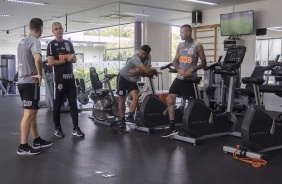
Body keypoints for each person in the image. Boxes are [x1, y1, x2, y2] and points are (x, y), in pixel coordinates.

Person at [161, 24, 207, 138]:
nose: (180, 34)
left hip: (190, 79)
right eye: (180, 32)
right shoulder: (180, 45)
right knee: (170, 99)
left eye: (182, 32)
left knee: (190, 104)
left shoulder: (197, 45)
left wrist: (192, 69)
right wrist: (179, 69)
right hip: (179, 78)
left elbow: (204, 63)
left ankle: (189, 127)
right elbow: (175, 61)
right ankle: (172, 127)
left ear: (188, 33)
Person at [17, 18, 53, 155]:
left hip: (21, 82)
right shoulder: (34, 41)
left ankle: (36, 140)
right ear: (41, 28)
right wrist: (39, 74)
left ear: (30, 27)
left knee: (33, 112)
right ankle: (22, 146)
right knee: (29, 114)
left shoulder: (21, 42)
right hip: (30, 82)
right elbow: (37, 58)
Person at [47, 22, 85, 138]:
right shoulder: (51, 45)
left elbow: (73, 59)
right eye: (56, 29)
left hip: (70, 79)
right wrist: (66, 60)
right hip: (59, 80)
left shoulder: (69, 43)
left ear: (63, 30)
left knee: (73, 104)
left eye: (60, 28)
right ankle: (57, 129)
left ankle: (76, 128)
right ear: (53, 31)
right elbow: (51, 62)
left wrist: (72, 59)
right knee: (57, 105)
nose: (59, 30)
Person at [117, 45, 158, 128]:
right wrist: (154, 70)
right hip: (123, 78)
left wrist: (137, 70)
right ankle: (122, 120)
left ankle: (130, 116)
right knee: (121, 99)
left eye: (143, 53)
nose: (141, 54)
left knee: (135, 97)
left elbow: (147, 68)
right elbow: (146, 70)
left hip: (132, 80)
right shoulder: (136, 58)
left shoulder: (148, 57)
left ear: (147, 54)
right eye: (140, 52)